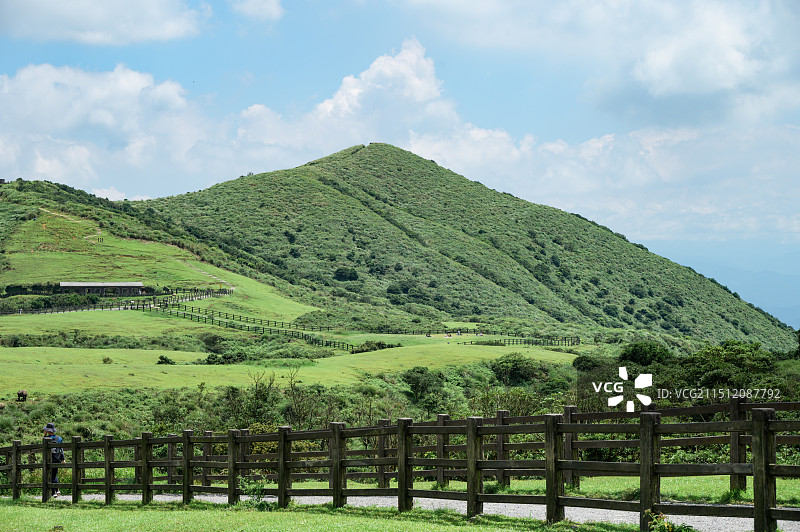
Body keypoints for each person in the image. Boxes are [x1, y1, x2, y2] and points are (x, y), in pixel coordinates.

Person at [43, 423, 64, 497]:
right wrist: (63, 459)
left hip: (50, 459)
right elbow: (61, 449)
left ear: (48, 430)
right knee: (54, 474)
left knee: (51, 475)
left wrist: (45, 435)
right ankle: (57, 490)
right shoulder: (59, 438)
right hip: (57, 458)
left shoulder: (46, 438)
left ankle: (53, 492)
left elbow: (43, 444)